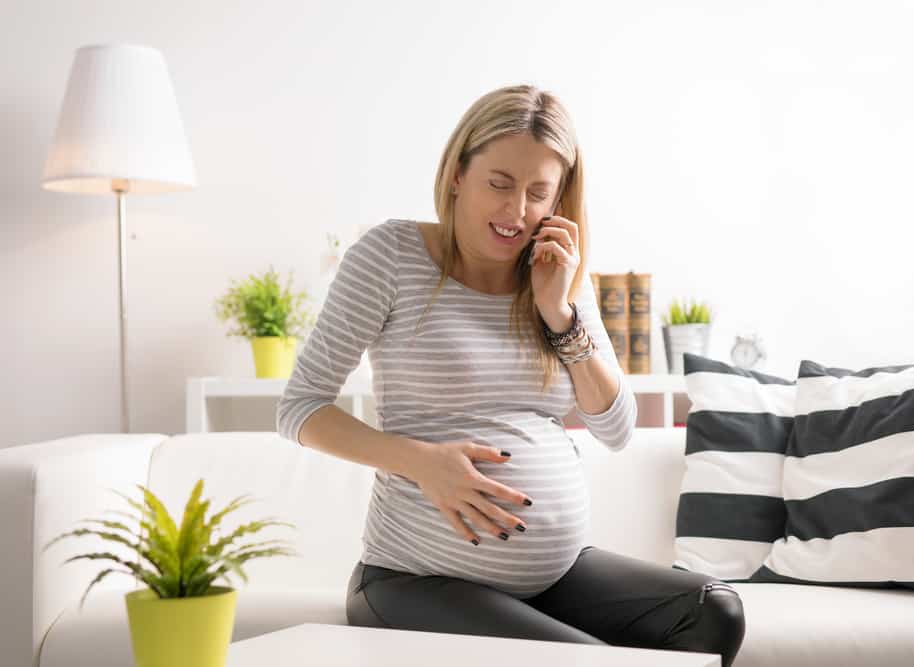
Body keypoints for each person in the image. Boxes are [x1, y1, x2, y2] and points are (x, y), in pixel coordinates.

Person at [275, 84, 745, 666]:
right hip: (412, 579)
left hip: (552, 577)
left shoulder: (560, 277)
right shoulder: (390, 255)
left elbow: (617, 428)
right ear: (457, 175)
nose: (516, 212)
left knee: (711, 612)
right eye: (499, 184)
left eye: (538, 194)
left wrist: (559, 313)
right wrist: (422, 461)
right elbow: (299, 408)